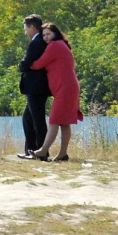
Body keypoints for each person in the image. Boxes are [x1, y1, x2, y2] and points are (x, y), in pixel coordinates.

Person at [30, 23, 83, 162]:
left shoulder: (55, 46)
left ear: (55, 34)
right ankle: (62, 154)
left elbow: (38, 64)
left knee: (54, 120)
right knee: (64, 122)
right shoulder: (61, 45)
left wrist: (27, 62)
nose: (46, 37)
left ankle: (42, 151)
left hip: (65, 89)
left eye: (48, 34)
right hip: (67, 87)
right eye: (44, 35)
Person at [17, 15, 51, 161]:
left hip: (36, 88)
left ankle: (41, 153)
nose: (25, 32)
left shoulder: (36, 42)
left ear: (32, 27)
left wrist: (21, 66)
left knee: (37, 121)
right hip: (37, 88)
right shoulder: (40, 41)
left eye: (26, 29)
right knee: (28, 119)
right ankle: (31, 150)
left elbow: (27, 62)